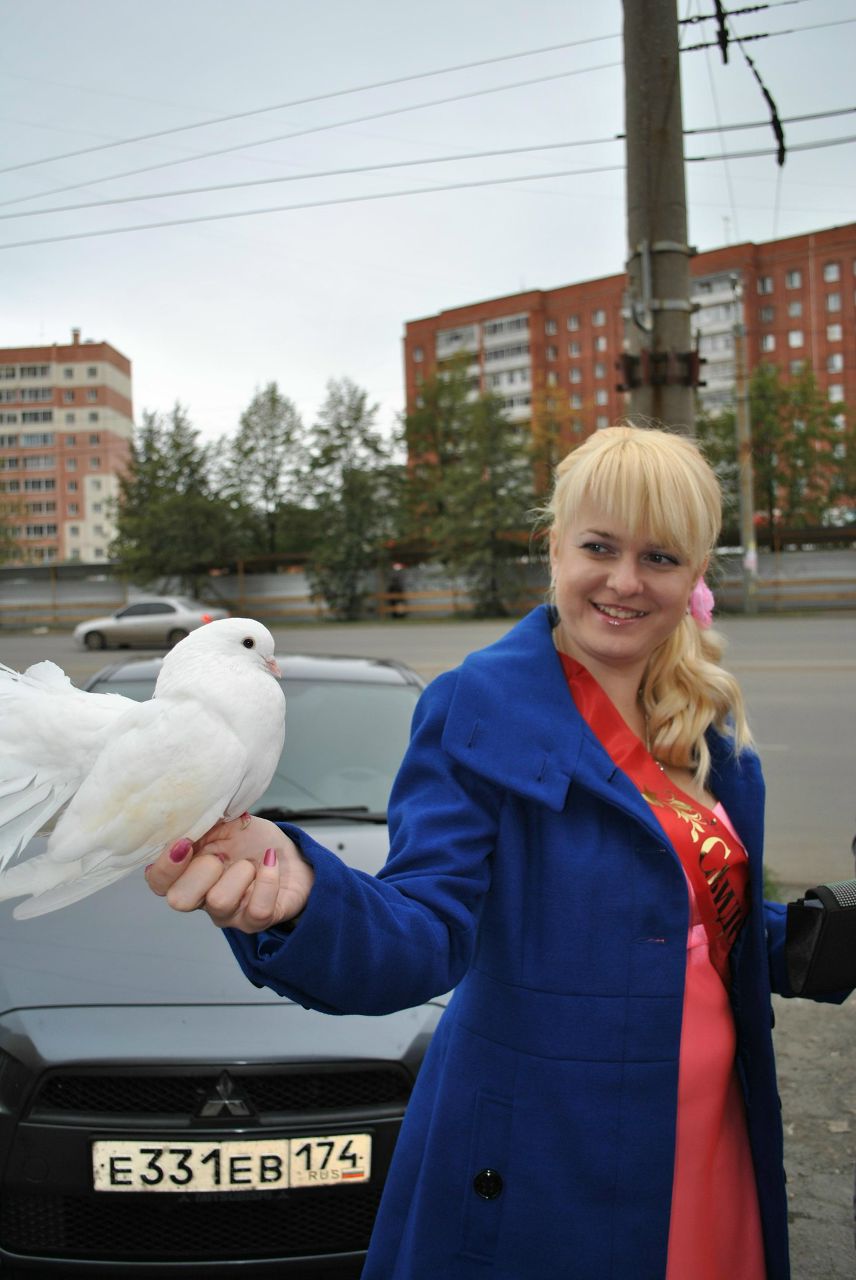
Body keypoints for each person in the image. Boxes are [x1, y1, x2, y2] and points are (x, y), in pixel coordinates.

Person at [147, 424, 851, 1280]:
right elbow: (423, 931)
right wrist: (307, 894)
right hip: (550, 1158)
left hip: (712, 1136)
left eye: (660, 557)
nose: (625, 581)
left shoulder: (704, 725)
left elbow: (686, 923)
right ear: (553, 546)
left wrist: (813, 941)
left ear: (694, 573)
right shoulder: (479, 705)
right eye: (600, 546)